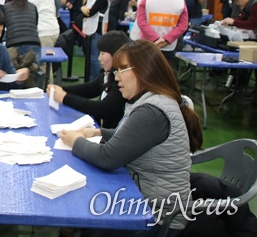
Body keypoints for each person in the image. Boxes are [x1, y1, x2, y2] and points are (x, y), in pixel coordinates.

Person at [58, 39, 203, 237]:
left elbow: (107, 158)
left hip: (156, 216)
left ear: (144, 70)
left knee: (92, 218)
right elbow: (134, 138)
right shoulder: (151, 100)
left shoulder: (151, 111)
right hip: (143, 200)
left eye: (122, 70)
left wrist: (75, 141)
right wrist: (99, 132)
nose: (117, 78)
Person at [46, 31, 131, 128]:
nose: (99, 58)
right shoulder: (107, 74)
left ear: (116, 54)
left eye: (103, 53)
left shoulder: (122, 82)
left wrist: (64, 98)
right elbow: (88, 89)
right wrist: (61, 90)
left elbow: (103, 108)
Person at [136, 0, 188, 69]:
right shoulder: (180, 2)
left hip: (147, 44)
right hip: (169, 46)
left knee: (146, 74)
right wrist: (166, 40)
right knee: (165, 76)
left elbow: (141, 21)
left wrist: (155, 39)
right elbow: (183, 25)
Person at [3, 0, 41, 86]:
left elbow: (1, 28)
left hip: (13, 44)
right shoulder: (33, 6)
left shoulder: (6, 7)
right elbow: (35, 25)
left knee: (14, 77)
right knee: (33, 73)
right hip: (34, 44)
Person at [81, 0, 110, 81]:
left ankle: (95, 81)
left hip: (97, 31)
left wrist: (84, 9)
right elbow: (86, 12)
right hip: (89, 30)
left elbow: (90, 12)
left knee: (94, 58)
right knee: (89, 58)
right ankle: (89, 79)